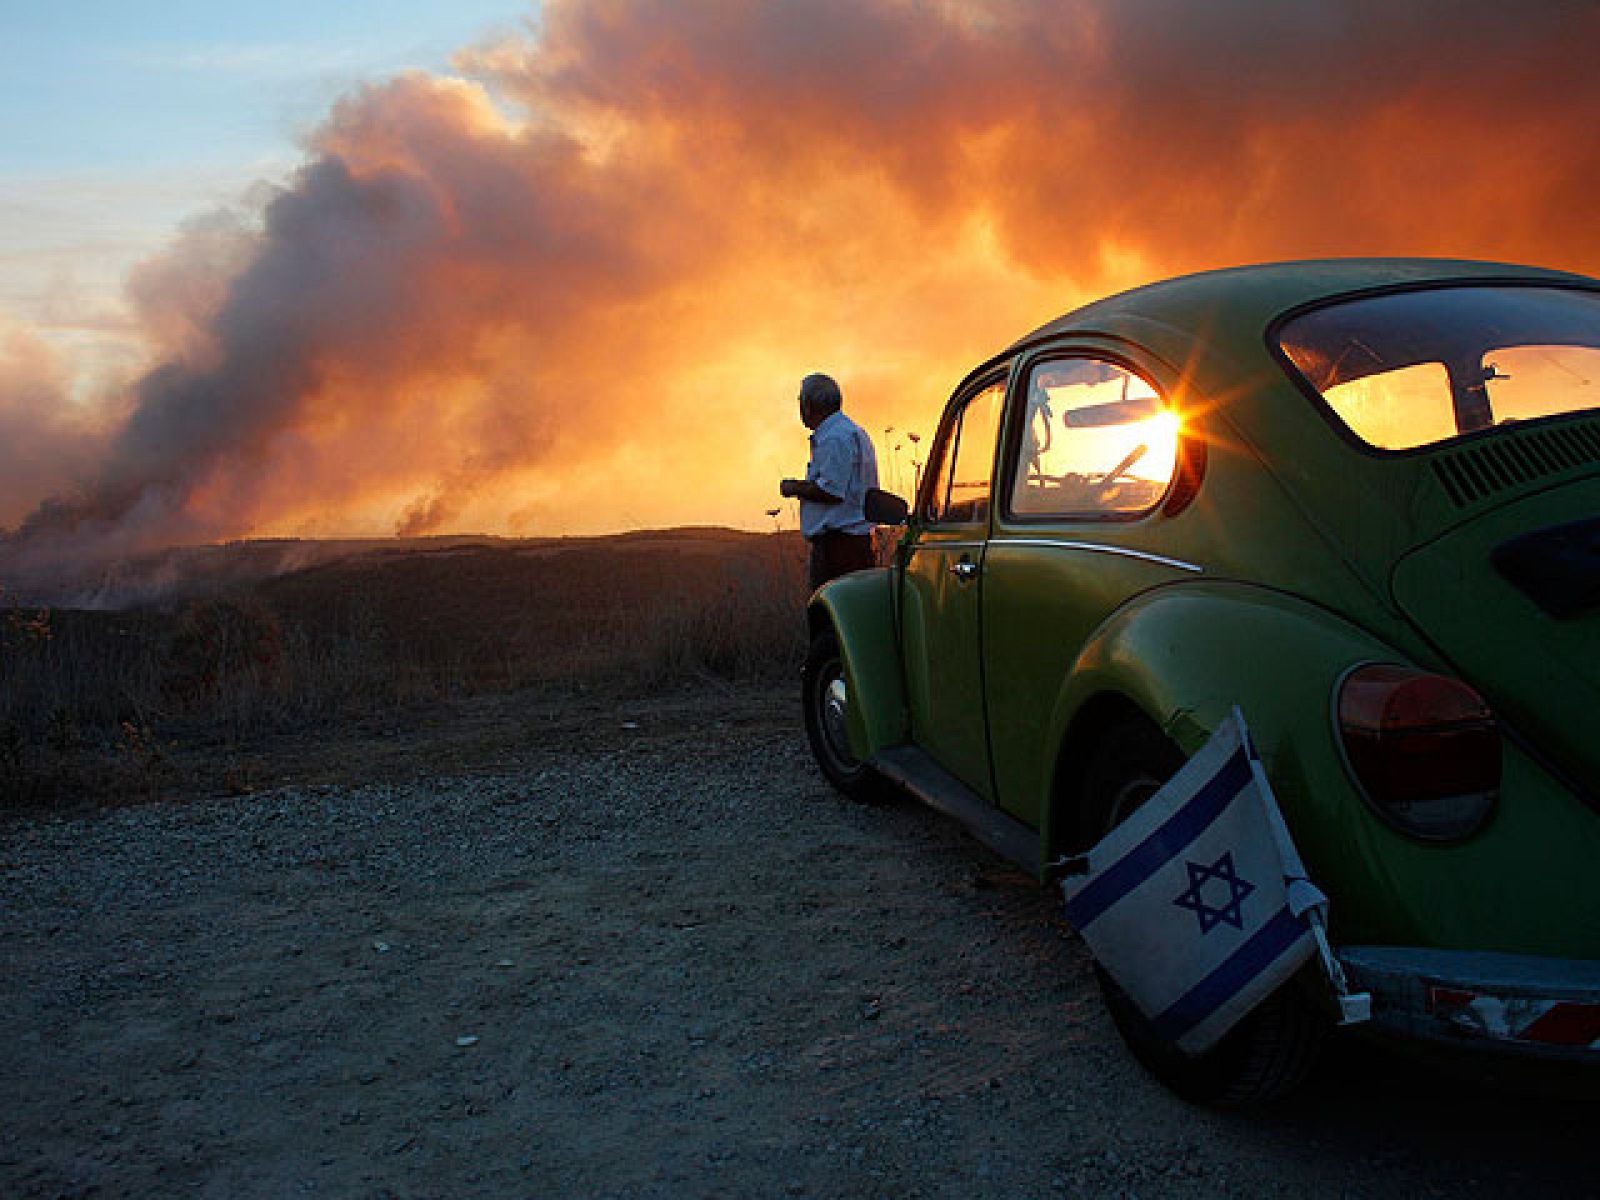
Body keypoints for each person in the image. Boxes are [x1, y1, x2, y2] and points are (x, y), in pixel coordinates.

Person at [779, 373, 881, 591]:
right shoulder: (852, 431)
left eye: (801, 402)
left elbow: (831, 491)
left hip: (838, 550)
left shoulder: (834, 437)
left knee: (830, 617)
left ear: (809, 405)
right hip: (854, 544)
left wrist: (794, 488)